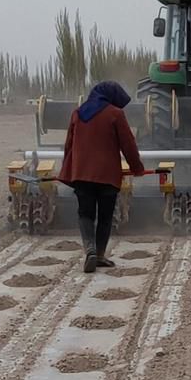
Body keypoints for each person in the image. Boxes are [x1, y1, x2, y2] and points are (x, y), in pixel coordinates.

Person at [59, 81, 146, 273]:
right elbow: (128, 145)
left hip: (82, 175)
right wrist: (137, 168)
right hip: (108, 176)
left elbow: (69, 146)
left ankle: (89, 248)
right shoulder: (115, 114)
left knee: (85, 213)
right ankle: (98, 255)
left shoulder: (78, 113)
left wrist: (68, 170)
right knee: (105, 216)